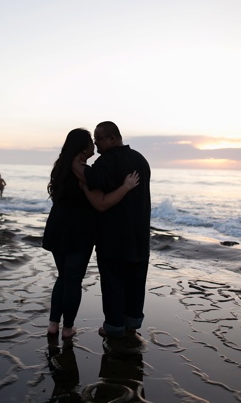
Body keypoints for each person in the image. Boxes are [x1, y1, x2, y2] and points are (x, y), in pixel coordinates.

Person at [43, 128, 140, 339]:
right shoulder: (83, 173)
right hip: (78, 232)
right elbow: (101, 204)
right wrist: (125, 186)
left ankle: (53, 324)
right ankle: (67, 328)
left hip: (57, 228)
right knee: (73, 281)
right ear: (82, 147)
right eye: (90, 142)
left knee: (63, 277)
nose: (94, 145)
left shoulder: (61, 167)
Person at [72, 121, 152, 339]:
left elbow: (90, 178)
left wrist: (74, 162)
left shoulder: (107, 160)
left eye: (99, 138)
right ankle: (132, 325)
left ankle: (114, 327)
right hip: (140, 234)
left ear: (113, 139)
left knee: (113, 281)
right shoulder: (140, 160)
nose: (95, 142)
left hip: (113, 235)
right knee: (136, 281)